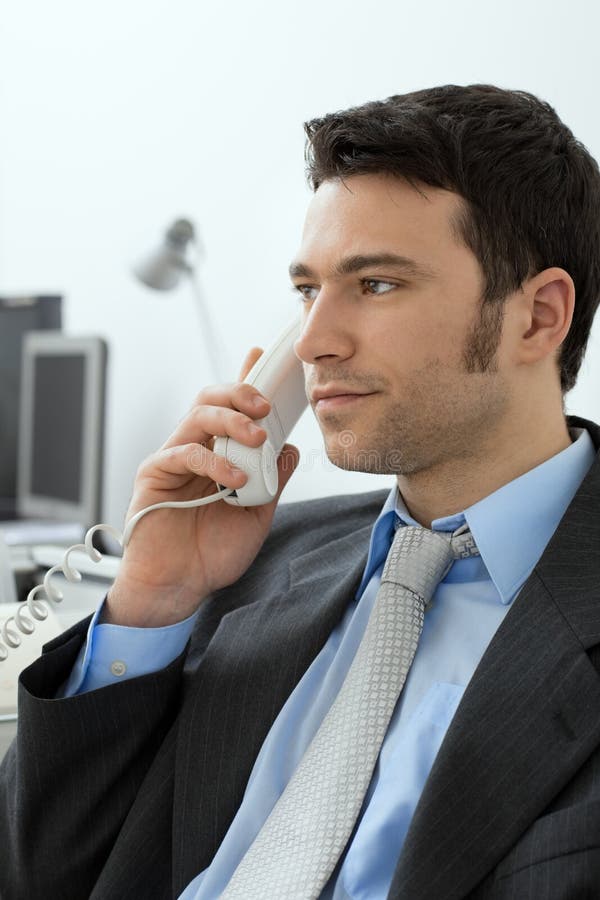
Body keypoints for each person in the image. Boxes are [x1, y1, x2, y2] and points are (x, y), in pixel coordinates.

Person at [2, 83, 600, 900]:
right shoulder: (248, 563)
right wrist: (151, 603)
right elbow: (43, 875)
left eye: (377, 284)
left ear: (538, 317)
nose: (314, 341)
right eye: (306, 291)